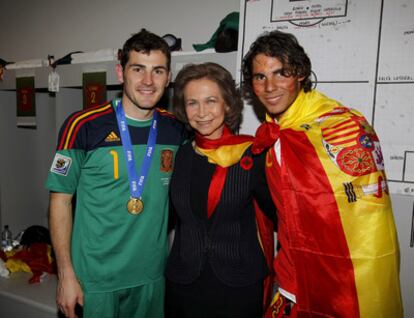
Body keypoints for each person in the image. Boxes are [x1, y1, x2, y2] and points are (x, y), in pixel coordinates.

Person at [243, 30, 403, 317]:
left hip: (339, 284)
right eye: (259, 77)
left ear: (301, 73)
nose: (270, 87)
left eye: (281, 73)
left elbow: (368, 224)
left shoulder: (344, 127)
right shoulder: (271, 134)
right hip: (290, 278)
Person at [46, 29, 186, 318]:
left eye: (157, 71)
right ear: (120, 72)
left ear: (168, 77)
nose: (148, 81)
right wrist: (66, 275)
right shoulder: (83, 125)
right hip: (93, 282)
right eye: (138, 69)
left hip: (151, 278)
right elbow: (59, 201)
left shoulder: (177, 129)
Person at [165, 62, 277, 318]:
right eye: (192, 102)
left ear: (227, 104)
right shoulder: (180, 155)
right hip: (183, 283)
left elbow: (283, 216)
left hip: (238, 284)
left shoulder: (254, 155)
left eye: (211, 101)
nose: (202, 112)